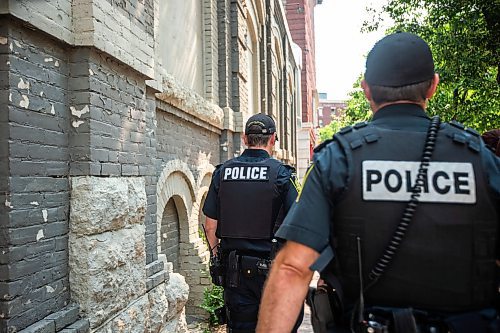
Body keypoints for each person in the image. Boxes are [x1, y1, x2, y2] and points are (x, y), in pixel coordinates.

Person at [257, 32, 500, 333]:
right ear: (433, 86)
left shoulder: (338, 159)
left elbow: (293, 268)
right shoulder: (480, 158)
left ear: (366, 90)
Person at [202, 113, 302, 333]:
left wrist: (218, 258)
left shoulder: (222, 173)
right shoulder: (281, 175)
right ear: (273, 139)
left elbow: (210, 227)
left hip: (235, 275)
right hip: (273, 274)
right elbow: (297, 227)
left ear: (246, 139)